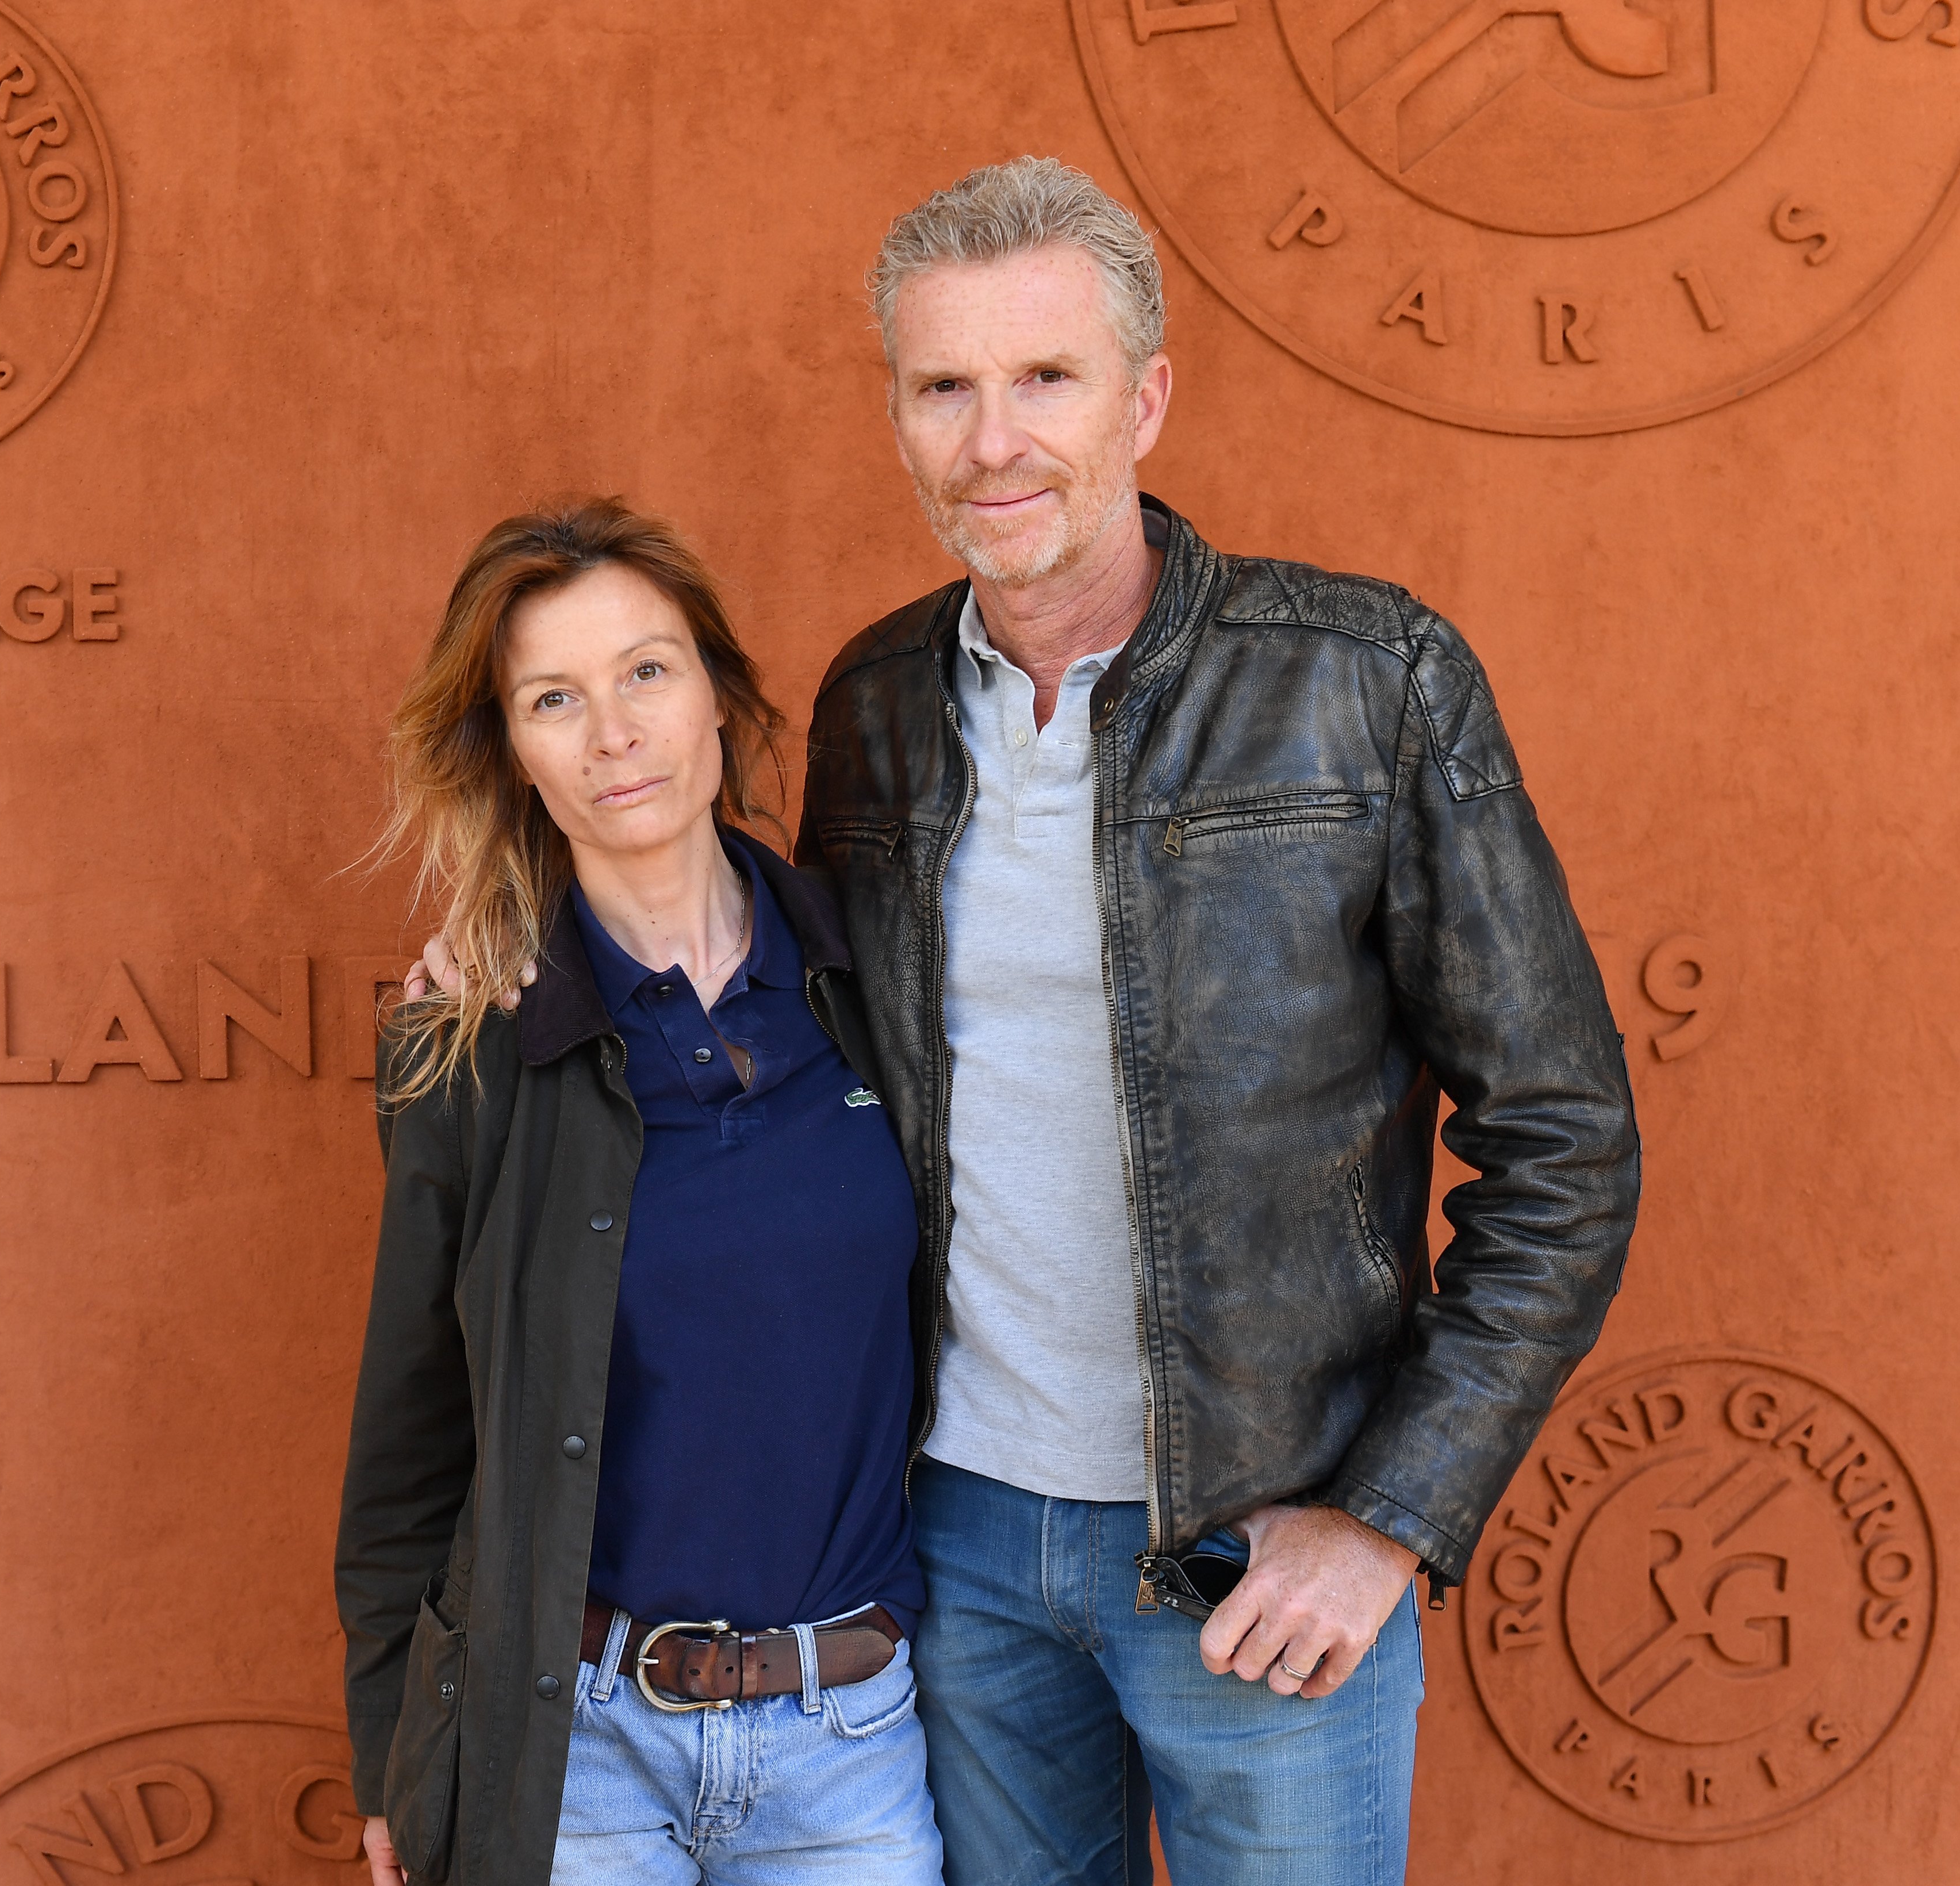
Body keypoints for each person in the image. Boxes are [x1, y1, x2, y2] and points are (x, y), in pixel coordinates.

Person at [419, 159, 1641, 1884]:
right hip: (957, 1555)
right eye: (946, 388)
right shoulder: (877, 712)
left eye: (1046, 380)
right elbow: (725, 940)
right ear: (903, 421)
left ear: (1146, 398)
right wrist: (505, 944)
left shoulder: (1369, 685)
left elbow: (1566, 1146)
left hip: (1253, 1559)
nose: (995, 440)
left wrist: (1389, 1518)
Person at [335, 499, 943, 1886]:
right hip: (576, 1750)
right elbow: (411, 1436)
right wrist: (397, 1756)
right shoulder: (471, 1049)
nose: (613, 732)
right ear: (516, 756)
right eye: (555, 697)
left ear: (721, 698)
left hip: (849, 1742)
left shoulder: (879, 981)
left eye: (647, 673)